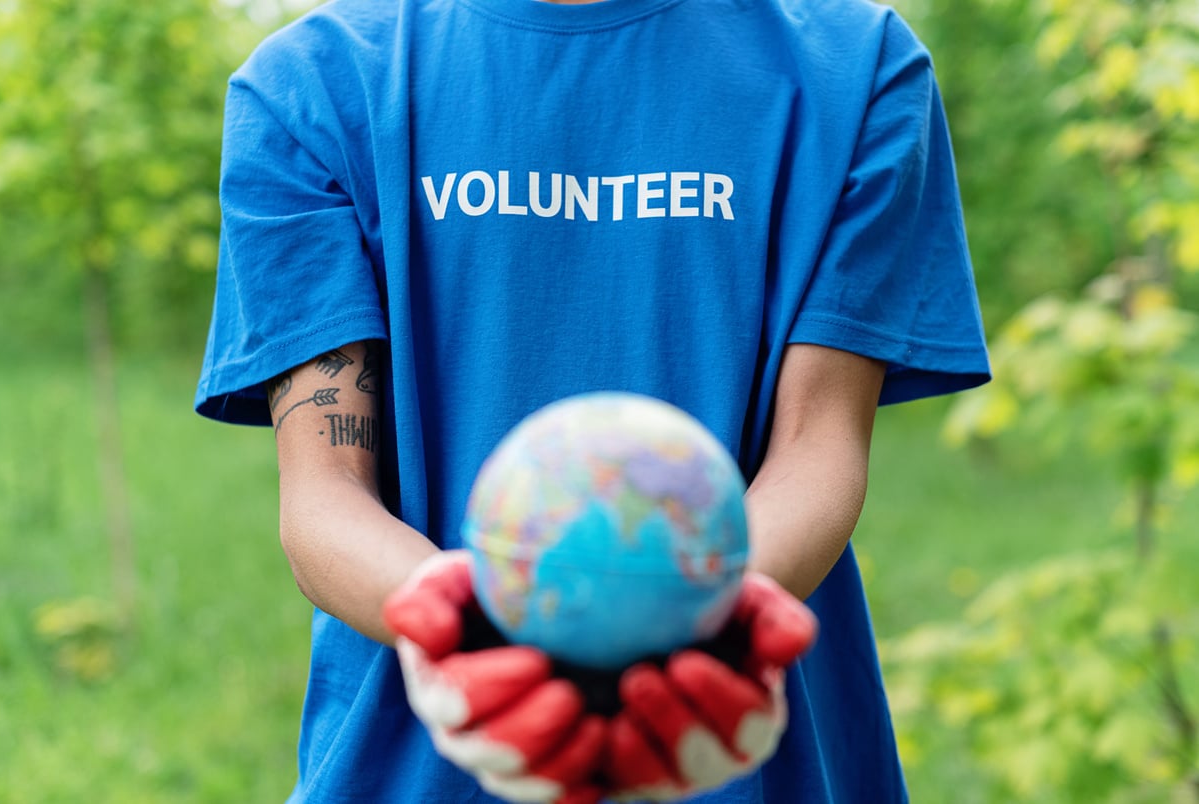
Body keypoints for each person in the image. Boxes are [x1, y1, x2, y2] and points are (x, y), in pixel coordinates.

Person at [195, 0, 990, 800]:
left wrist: (682, 630)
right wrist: (474, 636)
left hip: (729, 748)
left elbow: (818, 448)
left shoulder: (857, 69)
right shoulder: (307, 87)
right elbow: (324, 496)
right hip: (420, 769)